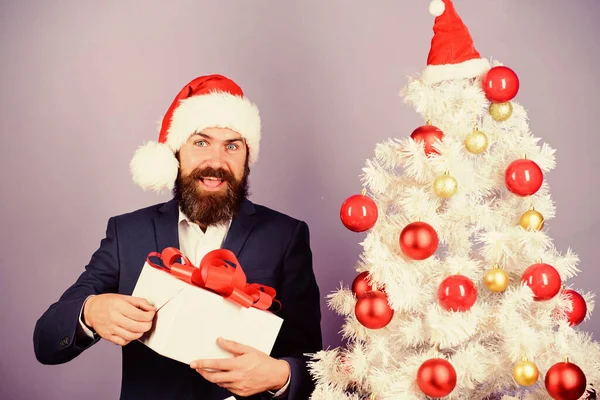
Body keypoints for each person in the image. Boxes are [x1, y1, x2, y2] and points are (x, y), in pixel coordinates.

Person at [33, 74, 323, 400]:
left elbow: (315, 365)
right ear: (176, 152)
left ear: (247, 157)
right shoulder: (128, 232)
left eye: (232, 146)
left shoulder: (285, 236)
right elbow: (45, 342)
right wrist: (89, 313)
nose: (216, 161)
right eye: (201, 142)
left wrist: (280, 376)